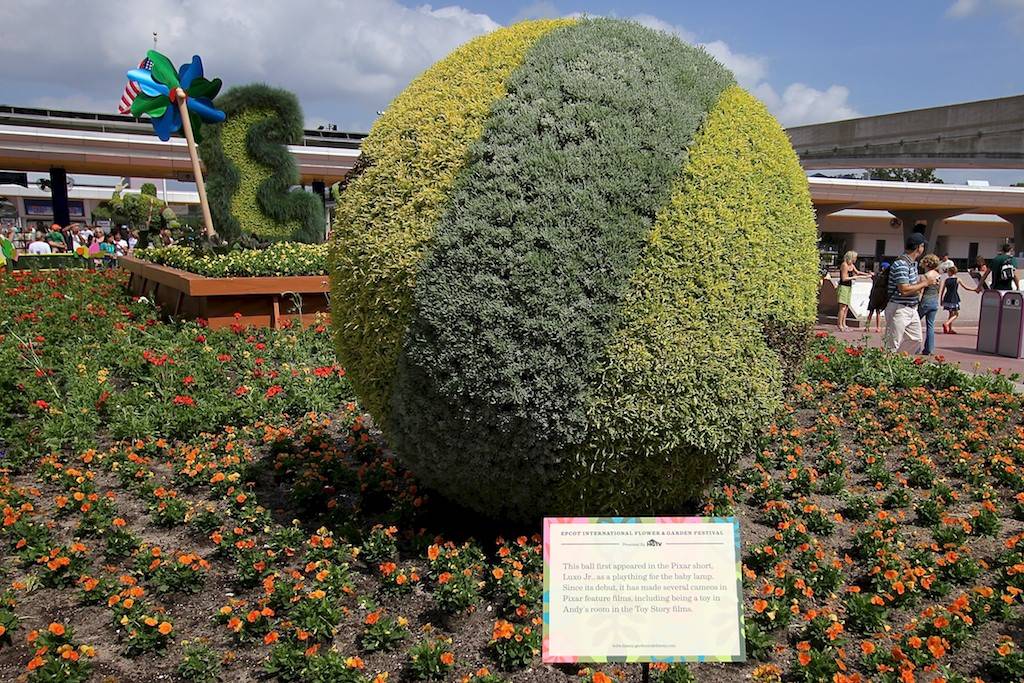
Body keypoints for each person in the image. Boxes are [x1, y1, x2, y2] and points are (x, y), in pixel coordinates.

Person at [883, 233, 937, 354]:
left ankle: (898, 362)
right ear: (919, 247)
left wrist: (920, 282)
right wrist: (925, 283)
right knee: (892, 343)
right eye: (923, 246)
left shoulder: (912, 264)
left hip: (911, 308)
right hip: (899, 308)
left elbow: (909, 286)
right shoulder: (902, 264)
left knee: (916, 340)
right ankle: (888, 365)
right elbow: (904, 289)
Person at [837, 250, 870, 331]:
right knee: (842, 307)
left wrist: (867, 274)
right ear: (851, 257)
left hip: (849, 287)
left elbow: (857, 272)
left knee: (847, 307)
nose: (856, 259)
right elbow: (844, 278)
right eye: (855, 257)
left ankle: (844, 324)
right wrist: (854, 277)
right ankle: (840, 325)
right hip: (843, 287)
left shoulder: (851, 265)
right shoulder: (844, 265)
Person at [939, 265, 977, 335]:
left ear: (950, 272)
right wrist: (974, 289)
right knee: (956, 314)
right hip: (954, 297)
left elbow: (942, 290)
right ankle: (947, 323)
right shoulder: (957, 279)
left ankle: (950, 329)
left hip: (947, 297)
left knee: (950, 313)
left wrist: (941, 299)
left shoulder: (946, 280)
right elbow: (965, 287)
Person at [917, 254, 941, 355]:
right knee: (930, 326)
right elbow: (938, 290)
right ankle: (929, 349)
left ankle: (913, 346)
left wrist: (917, 302)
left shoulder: (925, 276)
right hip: (934, 302)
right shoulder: (938, 275)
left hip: (925, 301)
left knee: (913, 323)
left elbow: (920, 291)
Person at [865, 261, 890, 333]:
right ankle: (877, 327)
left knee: (871, 311)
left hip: (874, 295)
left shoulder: (877, 275)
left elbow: (872, 276)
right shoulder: (885, 277)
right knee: (877, 312)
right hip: (880, 296)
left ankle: (867, 327)